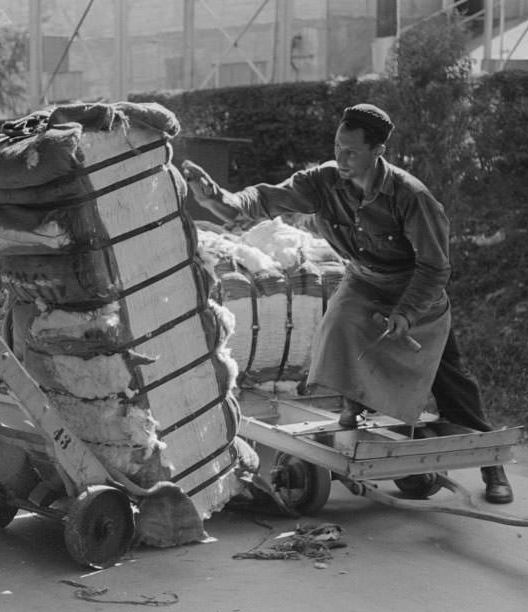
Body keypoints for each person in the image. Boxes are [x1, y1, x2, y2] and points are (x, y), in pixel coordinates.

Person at [183, 103, 513, 505]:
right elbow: (265, 199)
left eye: (351, 151)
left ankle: (492, 463)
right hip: (362, 281)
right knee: (338, 328)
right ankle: (351, 408)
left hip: (415, 288)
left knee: (450, 378)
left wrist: (407, 313)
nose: (340, 158)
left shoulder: (411, 196)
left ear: (378, 151)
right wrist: (220, 197)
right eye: (338, 147)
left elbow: (435, 266)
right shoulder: (322, 181)